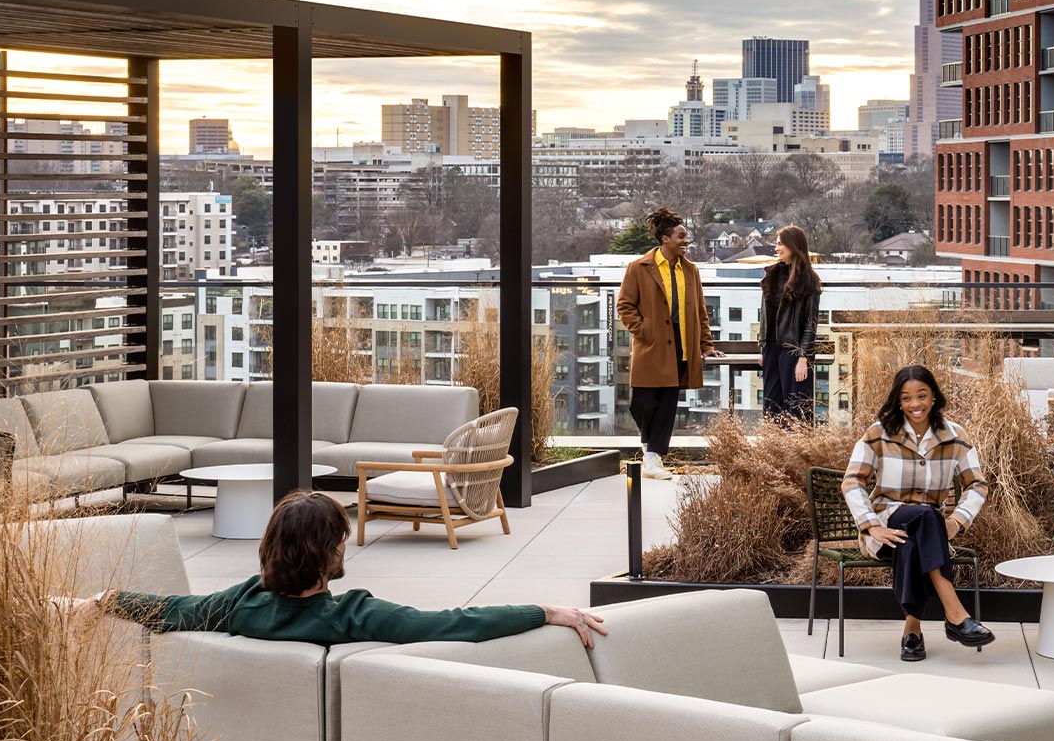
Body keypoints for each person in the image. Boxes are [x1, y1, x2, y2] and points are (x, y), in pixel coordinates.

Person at [73, 490, 607, 647]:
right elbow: (455, 624)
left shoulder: (238, 605)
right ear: (331, 554)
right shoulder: (356, 616)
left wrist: (102, 601)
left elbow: (170, 609)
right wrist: (541, 610)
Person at [842, 365, 996, 661]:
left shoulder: (955, 437)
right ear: (898, 402)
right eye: (906, 398)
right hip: (887, 525)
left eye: (922, 396)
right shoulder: (879, 433)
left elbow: (977, 484)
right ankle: (955, 613)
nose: (915, 404)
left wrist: (956, 521)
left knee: (918, 533)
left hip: (927, 534)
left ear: (934, 397)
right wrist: (871, 526)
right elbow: (852, 481)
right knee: (926, 517)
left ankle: (912, 632)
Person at [616, 207, 720, 480]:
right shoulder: (639, 268)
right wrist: (643, 331)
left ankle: (653, 458)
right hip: (651, 344)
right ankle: (649, 442)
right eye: (681, 236)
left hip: (681, 344)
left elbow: (700, 312)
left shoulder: (691, 270)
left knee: (667, 404)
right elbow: (625, 306)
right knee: (642, 402)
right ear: (665, 238)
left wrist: (706, 346)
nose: (686, 241)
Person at [759, 224, 822, 423]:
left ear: (793, 246)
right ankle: (774, 451)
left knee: (797, 410)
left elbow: (810, 325)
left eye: (780, 244)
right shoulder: (772, 276)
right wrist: (763, 348)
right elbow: (766, 316)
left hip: (793, 352)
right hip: (772, 350)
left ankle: (797, 452)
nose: (776, 248)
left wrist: (804, 358)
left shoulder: (809, 280)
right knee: (771, 407)